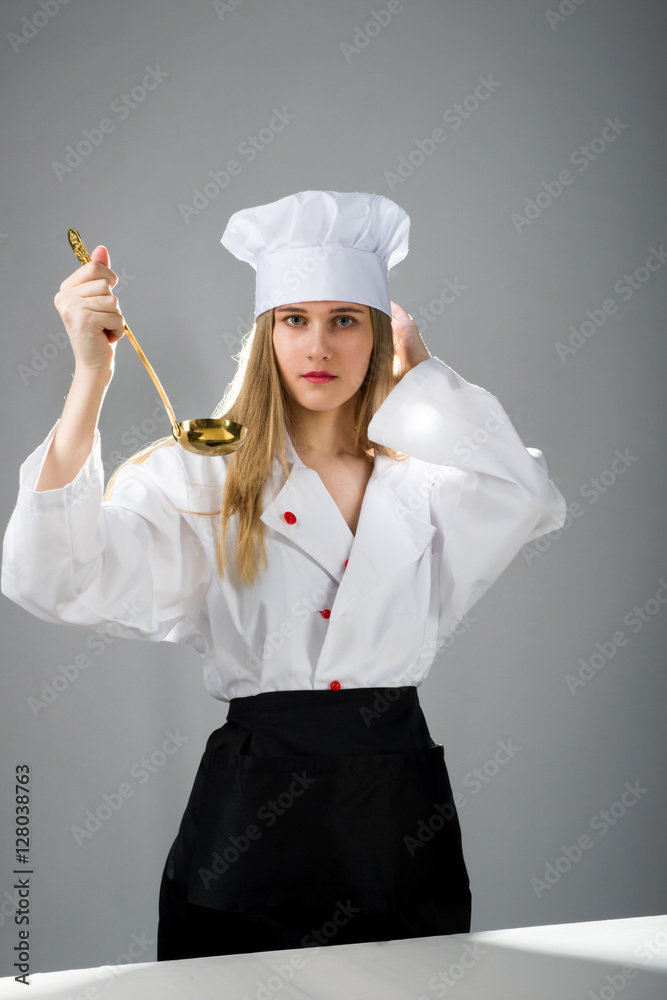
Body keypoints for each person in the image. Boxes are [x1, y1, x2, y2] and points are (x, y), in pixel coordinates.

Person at [1, 190, 567, 960]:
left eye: (345, 320)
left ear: (379, 335)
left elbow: (527, 498)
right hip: (252, 819)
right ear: (267, 335)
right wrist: (89, 379)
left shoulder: (424, 483)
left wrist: (427, 377)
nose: (319, 347)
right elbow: (51, 576)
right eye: (295, 320)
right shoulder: (205, 479)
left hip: (396, 814)